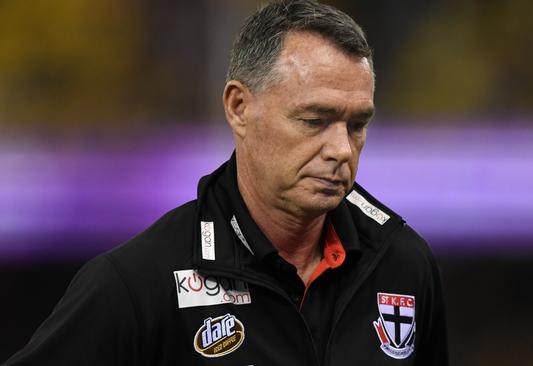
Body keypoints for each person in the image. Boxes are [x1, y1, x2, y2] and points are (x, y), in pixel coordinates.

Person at [3, 1, 448, 365]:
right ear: (239, 107)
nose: (342, 150)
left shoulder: (404, 263)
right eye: (315, 120)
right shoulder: (137, 284)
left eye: (357, 124)